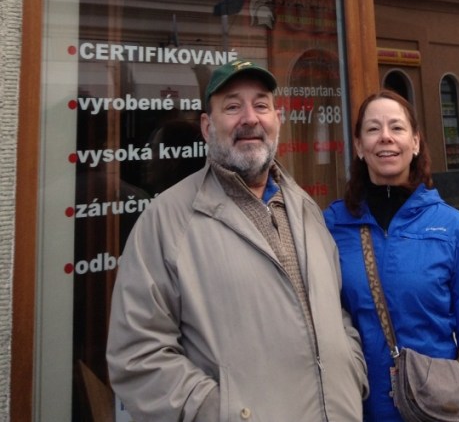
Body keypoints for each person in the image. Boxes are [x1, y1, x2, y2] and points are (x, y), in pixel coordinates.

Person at [107, 58, 368, 421]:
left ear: (278, 119)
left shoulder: (305, 207)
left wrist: (351, 371)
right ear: (207, 126)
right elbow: (137, 355)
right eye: (232, 107)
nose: (250, 118)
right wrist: (222, 412)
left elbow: (335, 311)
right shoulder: (166, 222)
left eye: (261, 105)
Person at [324, 90, 459, 422]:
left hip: (434, 410)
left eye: (397, 127)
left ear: (416, 142)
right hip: (358, 410)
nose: (386, 137)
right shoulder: (333, 225)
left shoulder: (453, 228)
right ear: (360, 147)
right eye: (373, 129)